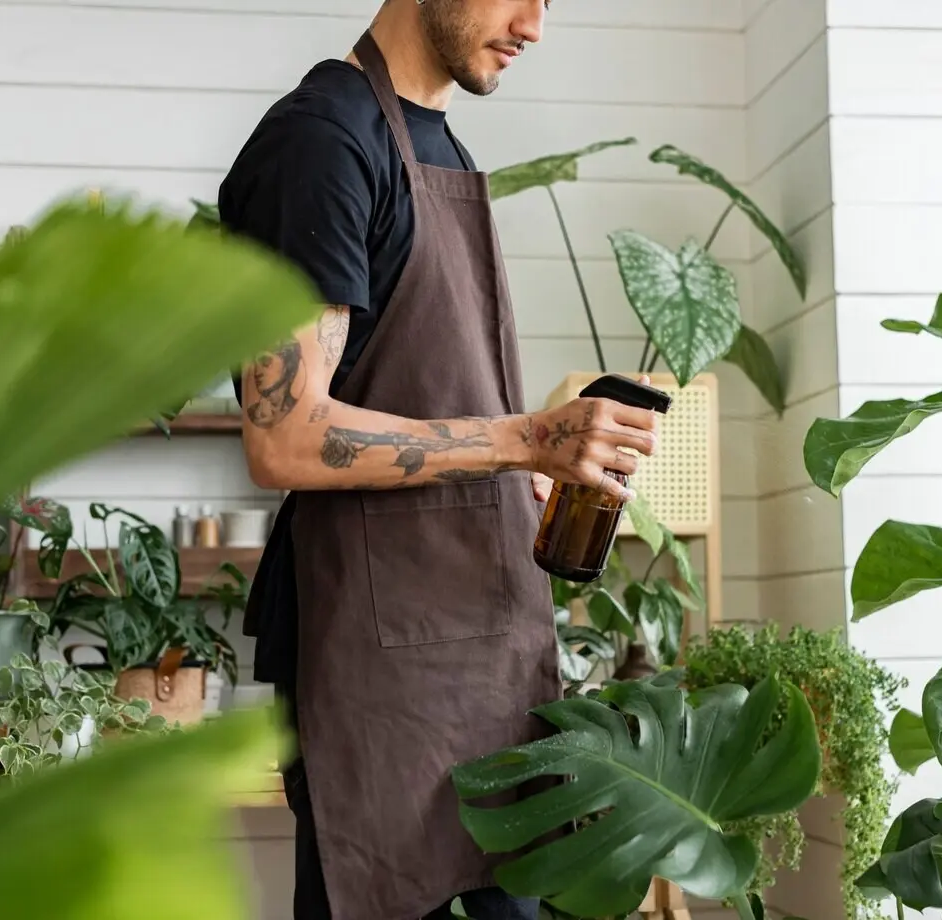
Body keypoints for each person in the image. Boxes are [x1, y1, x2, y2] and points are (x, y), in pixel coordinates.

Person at [218, 2, 658, 918]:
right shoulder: (323, 144)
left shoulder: (438, 147)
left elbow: (417, 391)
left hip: (475, 645)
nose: (534, 26)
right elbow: (285, 435)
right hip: (383, 671)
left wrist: (523, 471)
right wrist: (521, 437)